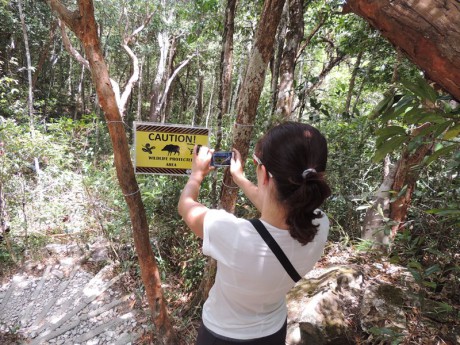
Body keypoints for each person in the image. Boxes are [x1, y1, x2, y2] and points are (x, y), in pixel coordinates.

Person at [178, 121, 331, 345]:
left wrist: (196, 175)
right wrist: (239, 178)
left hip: (221, 335)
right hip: (272, 331)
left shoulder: (234, 236)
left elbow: (185, 205)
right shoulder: (320, 225)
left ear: (265, 173)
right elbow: (280, 206)